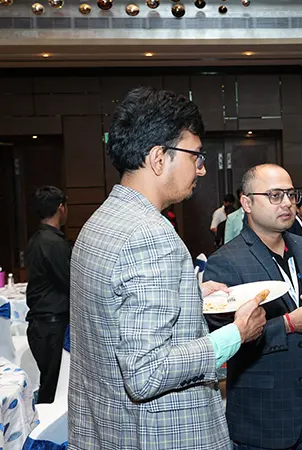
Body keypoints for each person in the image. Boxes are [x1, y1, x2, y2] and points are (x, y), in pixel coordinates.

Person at [68, 87, 267, 450]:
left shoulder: (100, 221)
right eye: (196, 155)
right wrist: (236, 334)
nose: (201, 168)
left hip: (110, 428)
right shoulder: (150, 235)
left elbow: (118, 313)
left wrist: (191, 293)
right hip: (160, 434)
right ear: (159, 158)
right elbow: (146, 372)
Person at [204, 164, 302, 450]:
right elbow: (225, 341)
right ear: (247, 203)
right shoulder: (226, 261)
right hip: (266, 411)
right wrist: (288, 324)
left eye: (290, 194)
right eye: (275, 195)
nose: (287, 203)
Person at [25, 185, 71, 404]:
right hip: (52, 326)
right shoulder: (54, 244)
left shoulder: (36, 239)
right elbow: (70, 283)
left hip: (41, 325)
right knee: (53, 392)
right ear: (61, 208)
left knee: (49, 385)